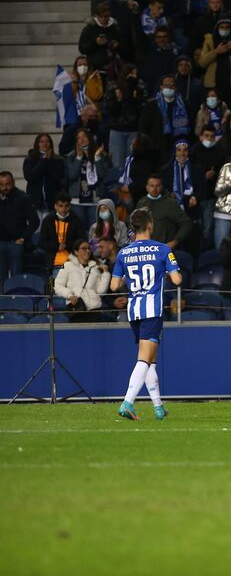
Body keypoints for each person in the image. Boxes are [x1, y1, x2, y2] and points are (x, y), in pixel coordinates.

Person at [111, 208, 183, 421]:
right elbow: (177, 280)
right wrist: (164, 274)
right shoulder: (162, 249)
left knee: (150, 359)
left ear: (133, 227)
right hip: (152, 309)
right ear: (150, 224)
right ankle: (127, 402)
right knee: (144, 358)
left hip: (134, 310)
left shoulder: (124, 252)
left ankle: (159, 408)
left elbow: (114, 285)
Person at [197, 17, 231, 112]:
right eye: (222, 27)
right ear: (217, 29)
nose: (224, 30)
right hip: (214, 87)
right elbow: (202, 63)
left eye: (227, 27)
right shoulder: (210, 41)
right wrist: (216, 52)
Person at [54, 238, 110, 322]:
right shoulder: (67, 266)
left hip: (94, 310)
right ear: (76, 252)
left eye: (88, 248)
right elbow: (58, 286)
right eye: (84, 248)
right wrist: (69, 295)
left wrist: (105, 273)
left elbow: (100, 291)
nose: (87, 251)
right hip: (77, 309)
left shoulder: (95, 268)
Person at [138, 75, 191, 163]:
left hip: (178, 148)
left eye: (172, 86)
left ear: (176, 87)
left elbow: (190, 124)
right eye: (166, 85)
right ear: (161, 87)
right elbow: (143, 127)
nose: (169, 88)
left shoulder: (184, 105)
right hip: (155, 148)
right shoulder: (151, 105)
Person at [136, 175, 193, 251]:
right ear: (147, 187)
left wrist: (174, 242)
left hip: (163, 250)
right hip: (144, 249)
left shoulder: (169, 203)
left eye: (157, 186)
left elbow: (187, 223)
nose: (154, 189)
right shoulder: (142, 202)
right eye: (152, 186)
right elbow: (133, 223)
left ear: (162, 187)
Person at [0, 172, 38, 285]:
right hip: (0, 243)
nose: (4, 187)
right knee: (1, 279)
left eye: (7, 184)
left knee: (16, 278)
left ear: (13, 183)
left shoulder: (23, 197)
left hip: (16, 244)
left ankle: (16, 300)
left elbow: (34, 221)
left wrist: (23, 238)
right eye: (1, 185)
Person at [23, 133, 67, 216]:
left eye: (47, 142)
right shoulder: (30, 159)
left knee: (49, 228)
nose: (45, 144)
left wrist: (49, 160)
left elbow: (57, 178)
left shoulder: (58, 160)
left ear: (51, 144)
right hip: (35, 202)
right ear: (37, 144)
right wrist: (44, 161)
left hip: (52, 202)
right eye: (41, 141)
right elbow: (31, 177)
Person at [38, 193, 86, 268]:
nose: (63, 209)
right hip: (53, 261)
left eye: (66, 206)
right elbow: (41, 242)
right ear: (55, 206)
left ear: (70, 206)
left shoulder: (77, 221)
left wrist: (66, 245)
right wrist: (57, 246)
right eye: (60, 206)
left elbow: (81, 241)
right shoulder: (48, 220)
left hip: (73, 260)